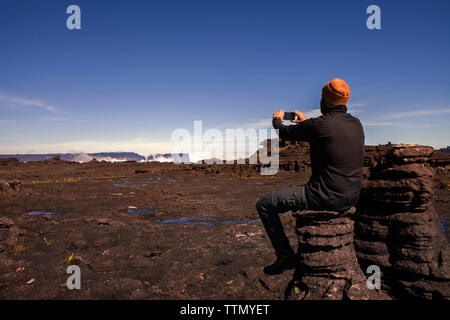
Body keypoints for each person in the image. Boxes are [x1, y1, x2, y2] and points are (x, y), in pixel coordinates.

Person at [256, 78, 365, 275]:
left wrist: (277, 119)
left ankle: (285, 256)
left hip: (323, 197)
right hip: (352, 196)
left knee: (264, 204)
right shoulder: (356, 124)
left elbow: (284, 132)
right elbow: (324, 131)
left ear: (324, 100)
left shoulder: (320, 125)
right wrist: (306, 122)